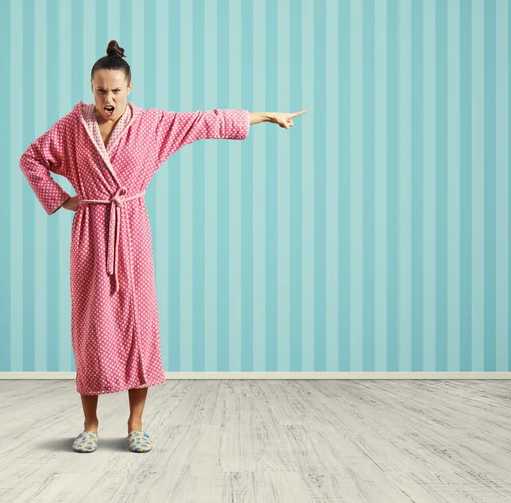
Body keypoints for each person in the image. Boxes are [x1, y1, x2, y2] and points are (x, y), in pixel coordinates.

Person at [19, 39, 307, 454]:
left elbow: (205, 121)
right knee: (90, 327)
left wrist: (266, 115)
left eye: (116, 90)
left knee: (138, 323)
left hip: (131, 229)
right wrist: (63, 199)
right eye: (100, 90)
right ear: (91, 87)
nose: (108, 99)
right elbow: (31, 159)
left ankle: (136, 422)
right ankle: (91, 424)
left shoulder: (152, 125)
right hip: (91, 232)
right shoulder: (71, 127)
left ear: (130, 87)